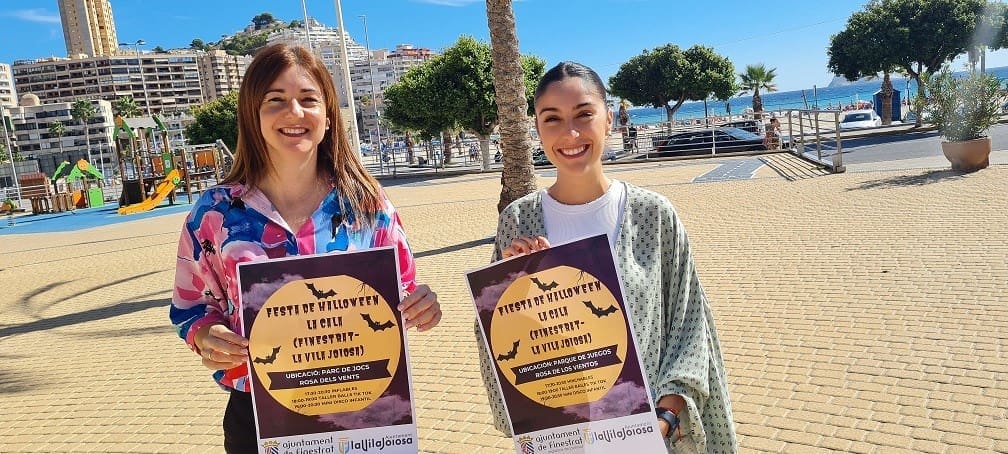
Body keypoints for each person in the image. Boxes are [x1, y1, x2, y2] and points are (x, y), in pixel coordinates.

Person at [169, 43, 442, 453]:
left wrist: (422, 305)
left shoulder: (367, 204)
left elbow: (402, 288)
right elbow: (191, 307)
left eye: (308, 99)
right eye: (275, 100)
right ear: (253, 116)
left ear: (328, 117)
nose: (294, 112)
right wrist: (209, 337)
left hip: (363, 410)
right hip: (260, 418)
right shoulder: (215, 212)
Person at [476, 61, 736, 452]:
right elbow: (498, 339)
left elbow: (689, 325)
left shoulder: (653, 214)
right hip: (558, 438)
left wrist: (664, 419)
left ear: (609, 118)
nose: (570, 133)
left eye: (584, 114)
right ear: (537, 130)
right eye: (552, 119)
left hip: (644, 437)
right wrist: (507, 288)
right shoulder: (518, 219)